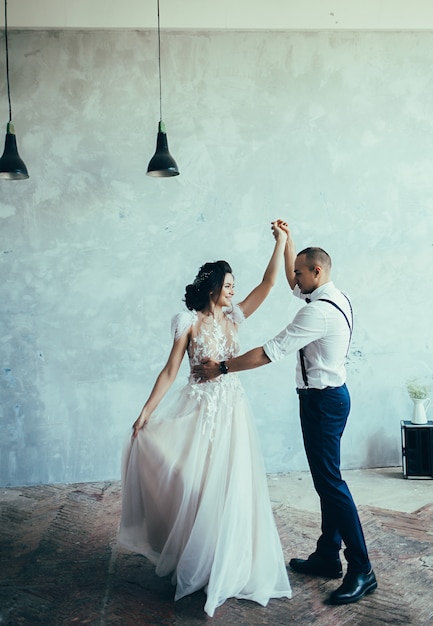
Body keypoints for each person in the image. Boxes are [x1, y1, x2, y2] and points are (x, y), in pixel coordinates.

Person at [193, 220, 377, 606]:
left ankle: (362, 568)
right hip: (328, 398)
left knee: (330, 484)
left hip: (323, 403)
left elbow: (267, 352)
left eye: (299, 272)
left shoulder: (317, 314)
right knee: (328, 480)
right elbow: (294, 285)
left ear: (317, 272)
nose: (295, 281)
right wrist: (288, 242)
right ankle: (328, 555)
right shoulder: (332, 296)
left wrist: (221, 368)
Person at [118, 221, 292, 618]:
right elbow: (169, 371)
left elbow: (267, 286)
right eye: (229, 284)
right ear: (213, 286)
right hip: (197, 410)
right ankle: (196, 554)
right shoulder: (189, 321)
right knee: (193, 482)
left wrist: (280, 243)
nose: (233, 290)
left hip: (232, 412)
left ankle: (225, 561)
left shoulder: (235, 317)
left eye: (234, 285)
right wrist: (145, 412)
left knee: (231, 484)